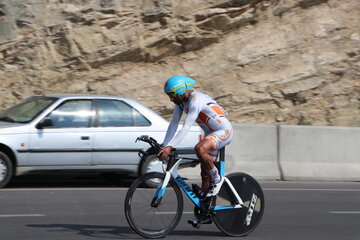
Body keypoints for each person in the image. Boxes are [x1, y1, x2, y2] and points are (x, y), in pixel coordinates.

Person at [158, 75, 233, 199]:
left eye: (171, 95)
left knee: (200, 148)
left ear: (180, 90)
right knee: (204, 174)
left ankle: (218, 179)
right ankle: (206, 209)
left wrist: (170, 146)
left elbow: (186, 127)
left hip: (223, 131)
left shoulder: (195, 100)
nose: (170, 99)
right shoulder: (181, 104)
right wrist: (165, 145)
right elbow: (174, 124)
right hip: (211, 134)